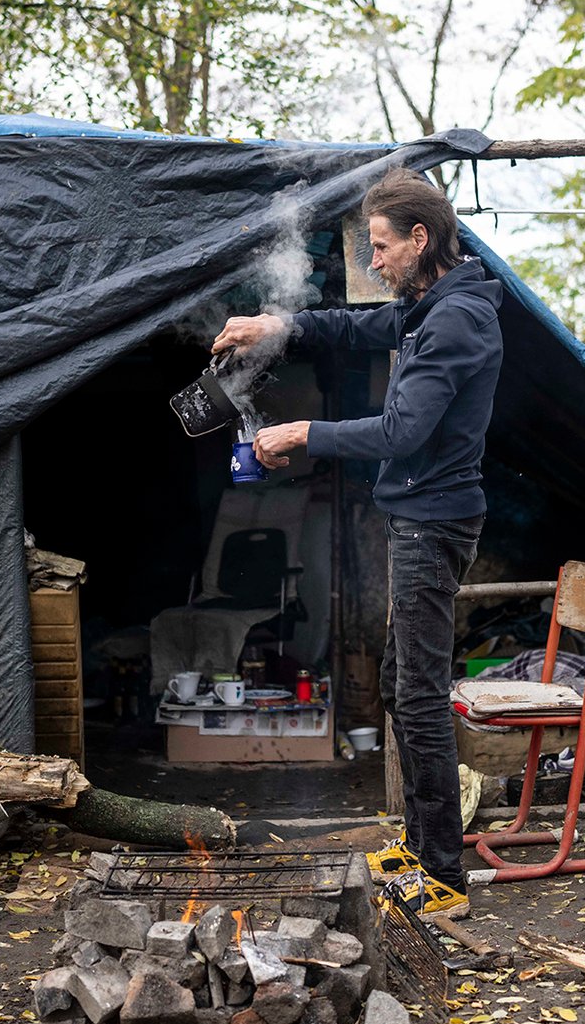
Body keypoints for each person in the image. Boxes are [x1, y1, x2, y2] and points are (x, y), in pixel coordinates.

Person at [213, 167, 502, 918]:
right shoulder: (430, 305)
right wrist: (276, 326)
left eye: (380, 248)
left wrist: (304, 432)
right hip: (420, 516)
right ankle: (419, 843)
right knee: (403, 684)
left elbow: (402, 431)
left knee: (419, 695)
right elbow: (356, 326)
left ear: (420, 238)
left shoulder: (456, 319)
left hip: (434, 523)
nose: (374, 262)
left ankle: (444, 877)